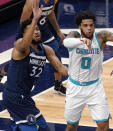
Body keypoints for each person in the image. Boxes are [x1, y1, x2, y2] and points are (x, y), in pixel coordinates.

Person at [62, 10, 113, 131]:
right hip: (75, 88)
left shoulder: (100, 37)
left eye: (91, 25)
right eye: (85, 25)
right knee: (71, 126)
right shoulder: (74, 35)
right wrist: (81, 41)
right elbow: (66, 42)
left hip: (95, 87)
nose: (89, 28)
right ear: (79, 26)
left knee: (104, 127)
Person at [2, 0, 68, 130]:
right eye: (33, 30)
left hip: (24, 96)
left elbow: (61, 68)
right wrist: (35, 19)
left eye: (38, 29)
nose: (37, 31)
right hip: (15, 96)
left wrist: (80, 73)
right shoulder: (20, 46)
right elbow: (24, 43)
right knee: (41, 128)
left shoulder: (46, 50)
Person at [19, 0, 66, 95]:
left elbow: (50, 13)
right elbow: (22, 22)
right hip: (31, 32)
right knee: (23, 59)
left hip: (45, 32)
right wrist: (24, 38)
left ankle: (58, 85)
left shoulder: (54, 0)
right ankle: (4, 74)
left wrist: (58, 31)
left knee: (56, 56)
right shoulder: (31, 2)